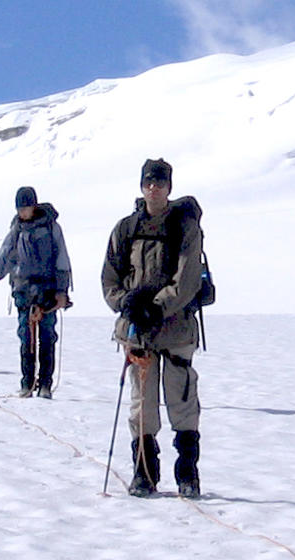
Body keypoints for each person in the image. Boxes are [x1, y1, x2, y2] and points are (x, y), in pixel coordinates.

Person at [101, 158, 204, 498]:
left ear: (169, 187)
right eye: (149, 182)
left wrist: (156, 308)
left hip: (175, 328)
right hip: (137, 331)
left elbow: (187, 280)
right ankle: (144, 473)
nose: (154, 188)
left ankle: (187, 474)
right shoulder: (126, 228)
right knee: (142, 404)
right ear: (142, 185)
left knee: (181, 400)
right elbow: (110, 278)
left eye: (160, 182)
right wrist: (126, 304)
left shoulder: (185, 227)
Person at [0, 186, 72, 398]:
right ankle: (27, 383)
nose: (23, 212)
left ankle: (45, 385)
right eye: (20, 208)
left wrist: (61, 290)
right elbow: (2, 262)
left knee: (47, 337)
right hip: (23, 292)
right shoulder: (16, 231)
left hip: (47, 292)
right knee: (26, 338)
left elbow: (62, 259)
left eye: (26, 207)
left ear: (34, 206)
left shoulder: (52, 227)